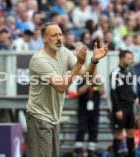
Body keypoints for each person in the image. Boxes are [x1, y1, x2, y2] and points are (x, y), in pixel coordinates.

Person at [26, 22, 109, 157]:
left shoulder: (64, 52)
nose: (59, 38)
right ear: (44, 39)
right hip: (39, 117)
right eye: (54, 35)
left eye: (60, 34)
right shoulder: (39, 60)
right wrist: (79, 63)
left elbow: (87, 75)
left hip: (54, 118)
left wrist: (94, 61)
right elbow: (61, 86)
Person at [110, 50, 138, 157]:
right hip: (120, 107)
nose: (131, 61)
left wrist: (135, 98)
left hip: (129, 106)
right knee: (119, 134)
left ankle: (131, 154)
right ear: (122, 58)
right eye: (129, 58)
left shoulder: (128, 72)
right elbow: (113, 92)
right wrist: (117, 109)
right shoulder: (115, 72)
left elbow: (129, 89)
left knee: (131, 132)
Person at [74, 74, 105, 157]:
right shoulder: (81, 80)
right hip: (83, 111)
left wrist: (99, 84)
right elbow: (79, 92)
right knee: (81, 129)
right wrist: (88, 83)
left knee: (94, 130)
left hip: (95, 112)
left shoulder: (98, 81)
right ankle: (78, 150)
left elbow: (102, 93)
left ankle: (91, 150)